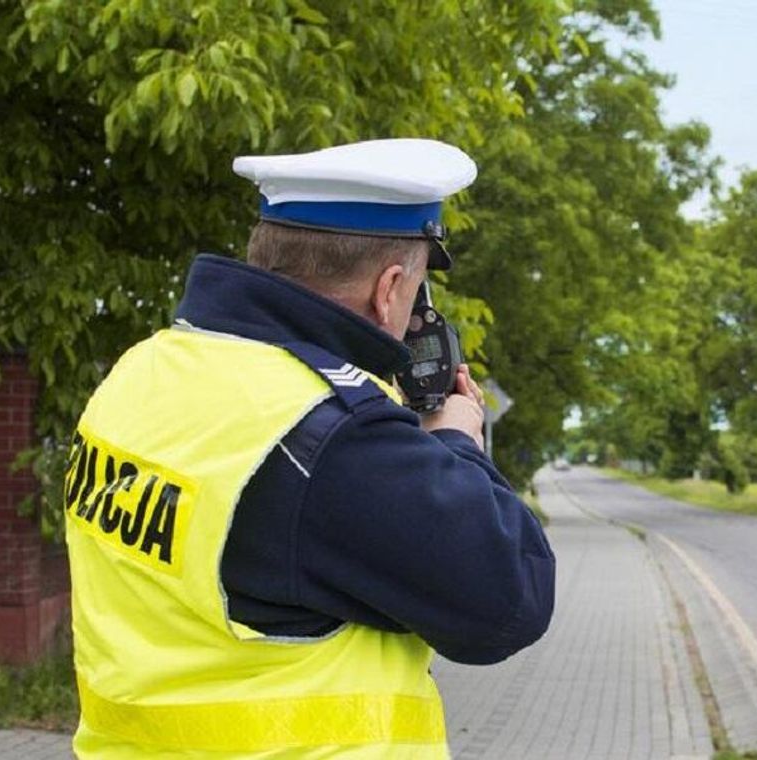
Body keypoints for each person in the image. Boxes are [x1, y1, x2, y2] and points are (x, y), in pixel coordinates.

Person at [63, 139, 556, 758]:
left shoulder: (145, 369)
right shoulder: (329, 435)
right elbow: (509, 600)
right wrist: (456, 440)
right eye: (418, 292)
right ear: (390, 287)